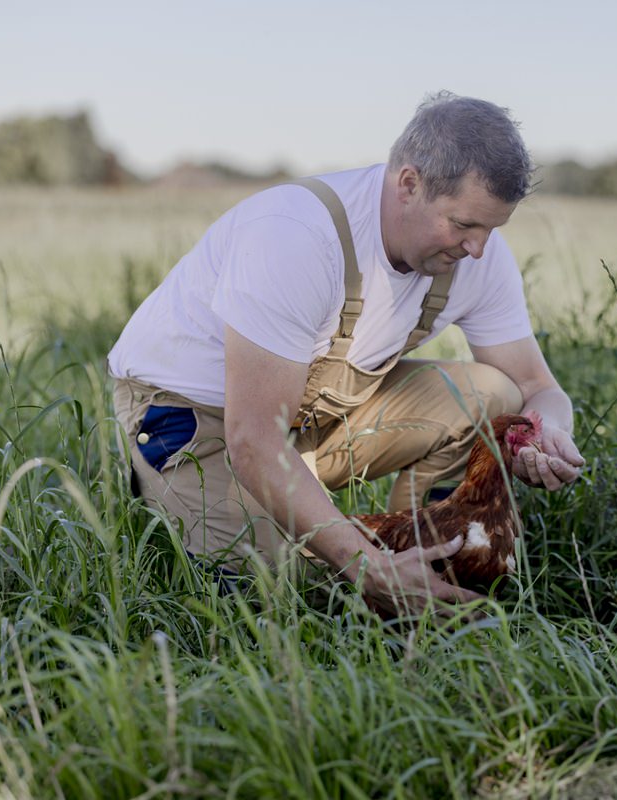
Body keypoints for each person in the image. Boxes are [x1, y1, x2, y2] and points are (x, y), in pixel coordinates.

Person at [108, 92, 584, 616]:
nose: (478, 249)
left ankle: (425, 561)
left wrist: (550, 434)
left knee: (496, 393)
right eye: (464, 225)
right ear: (408, 184)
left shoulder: (475, 256)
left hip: (307, 420)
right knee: (297, 595)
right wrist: (362, 565)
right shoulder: (296, 236)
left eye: (492, 229)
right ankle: (369, 569)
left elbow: (537, 386)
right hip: (200, 424)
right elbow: (254, 440)